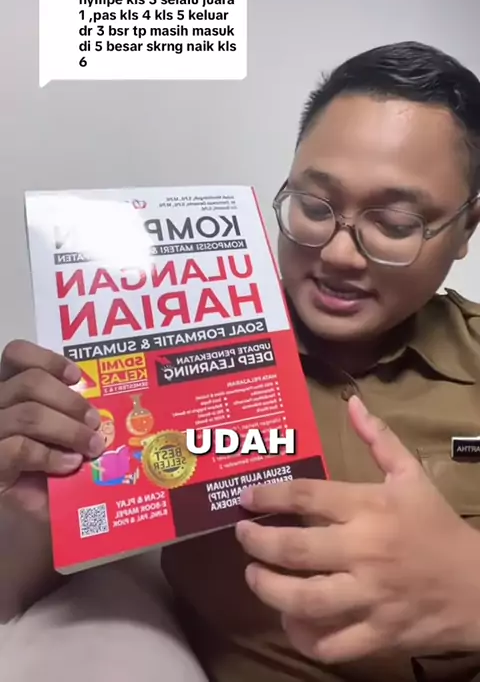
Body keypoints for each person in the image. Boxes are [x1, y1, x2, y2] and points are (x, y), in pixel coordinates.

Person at [2, 41, 480, 682]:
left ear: (466, 229)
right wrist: (27, 500)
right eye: (314, 206)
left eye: (394, 223)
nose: (338, 254)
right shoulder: (164, 350)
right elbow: (17, 597)